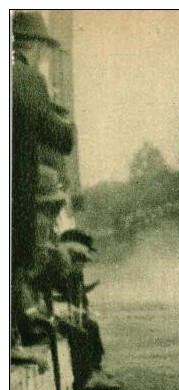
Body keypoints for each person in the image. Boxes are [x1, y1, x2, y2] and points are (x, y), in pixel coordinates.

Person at [11, 11, 74, 369]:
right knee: (15, 258)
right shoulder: (26, 79)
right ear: (34, 47)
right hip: (15, 190)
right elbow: (59, 137)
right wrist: (66, 122)